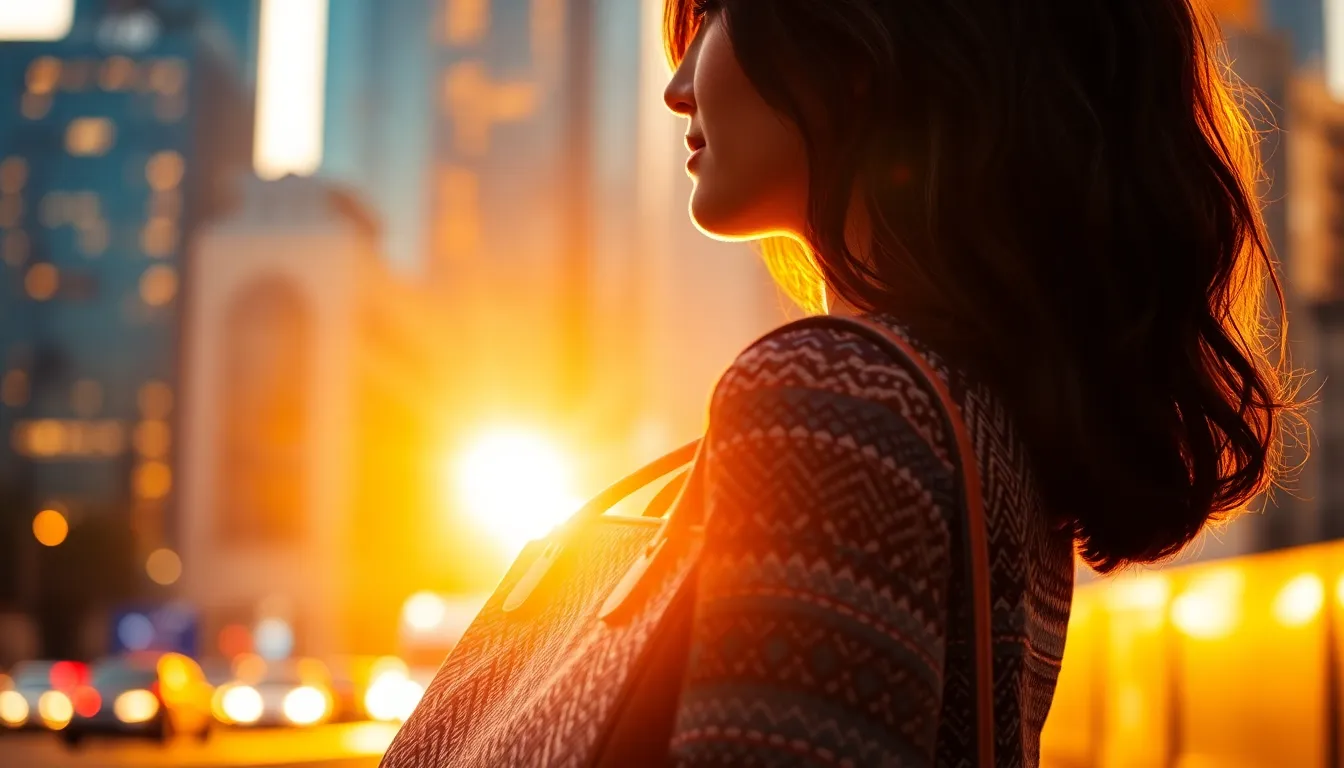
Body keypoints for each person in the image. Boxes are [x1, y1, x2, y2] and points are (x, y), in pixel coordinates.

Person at [660, 0, 1300, 766]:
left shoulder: (838, 397)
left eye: (717, 14)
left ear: (863, 41)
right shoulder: (986, 413)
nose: (678, 84)